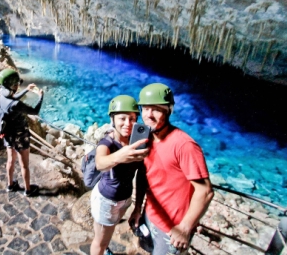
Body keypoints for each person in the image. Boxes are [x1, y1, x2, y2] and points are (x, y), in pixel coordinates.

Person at [136, 83, 214, 255]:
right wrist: (138, 209)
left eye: (156, 109)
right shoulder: (145, 136)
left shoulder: (184, 145)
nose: (149, 115)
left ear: (168, 111)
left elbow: (206, 191)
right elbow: (144, 174)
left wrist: (185, 228)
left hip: (173, 229)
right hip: (150, 214)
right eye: (145, 108)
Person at [90, 95, 150, 255]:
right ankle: (102, 248)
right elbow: (100, 163)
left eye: (132, 118)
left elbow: (142, 174)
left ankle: (105, 245)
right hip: (107, 201)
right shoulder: (107, 143)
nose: (128, 124)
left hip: (125, 199)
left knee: (108, 232)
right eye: (122, 118)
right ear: (113, 119)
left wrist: (138, 207)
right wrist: (120, 156)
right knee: (99, 242)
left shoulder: (138, 141)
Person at [0, 68, 43, 197]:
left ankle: (10, 185)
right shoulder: (16, 104)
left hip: (8, 133)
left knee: (10, 160)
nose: (18, 86)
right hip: (20, 135)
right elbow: (35, 111)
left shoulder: (2, 95)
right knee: (24, 165)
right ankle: (28, 189)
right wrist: (41, 96)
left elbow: (11, 97)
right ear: (12, 85)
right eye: (17, 84)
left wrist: (26, 90)